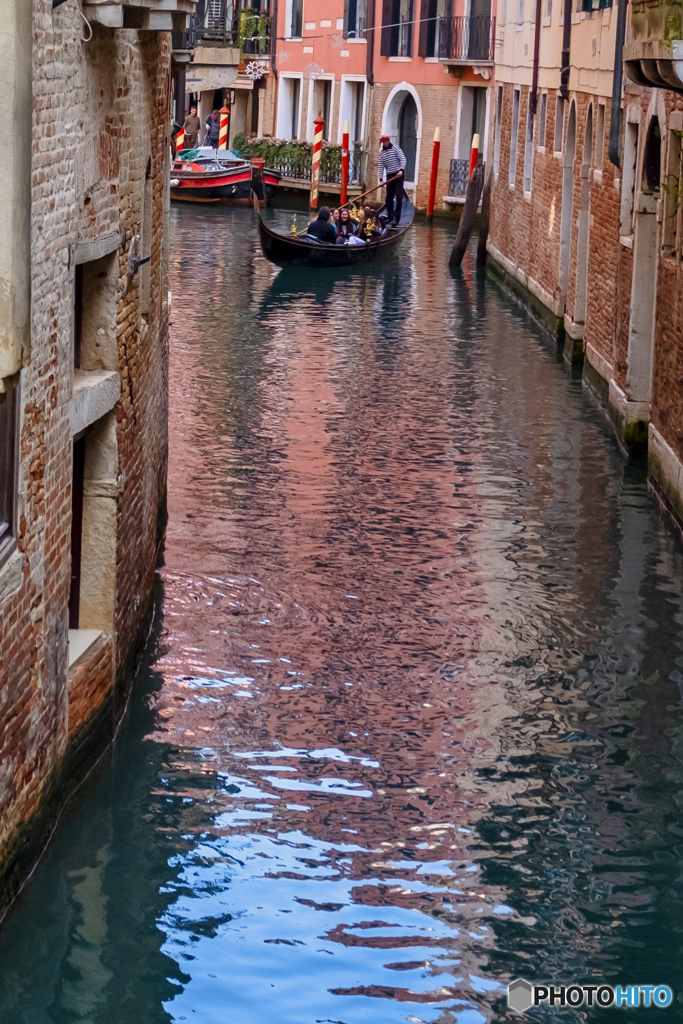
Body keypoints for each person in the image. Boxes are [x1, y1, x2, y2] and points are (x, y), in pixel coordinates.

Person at [378, 134, 407, 226]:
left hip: (399, 175)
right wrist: (381, 180)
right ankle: (390, 217)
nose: (385, 142)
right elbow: (381, 167)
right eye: (384, 141)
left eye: (387, 141)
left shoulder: (396, 148)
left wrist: (401, 170)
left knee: (398, 197)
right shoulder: (382, 154)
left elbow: (403, 159)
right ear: (382, 142)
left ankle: (397, 218)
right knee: (389, 197)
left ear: (389, 141)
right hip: (390, 176)